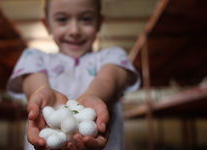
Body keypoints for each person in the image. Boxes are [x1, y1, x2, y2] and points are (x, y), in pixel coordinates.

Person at [7, 0, 140, 149]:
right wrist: (43, 94)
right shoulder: (33, 57)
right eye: (62, 19)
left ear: (99, 22)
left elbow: (108, 80)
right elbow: (34, 85)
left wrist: (94, 95)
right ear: (47, 25)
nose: (74, 31)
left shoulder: (114, 55)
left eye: (86, 19)